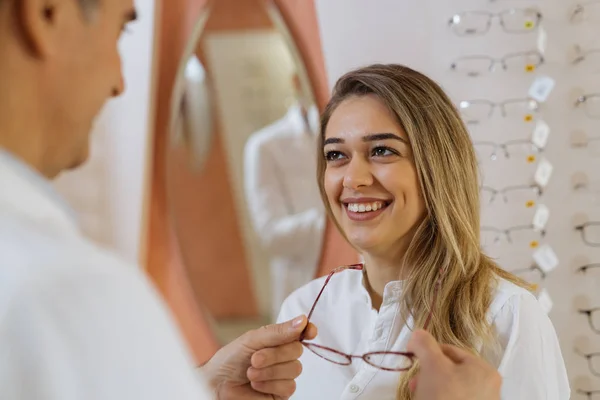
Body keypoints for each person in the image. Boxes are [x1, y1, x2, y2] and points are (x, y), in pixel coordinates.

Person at [0, 0, 317, 399]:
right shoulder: (61, 292)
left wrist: (204, 384)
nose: (120, 83)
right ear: (47, 13)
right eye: (120, 30)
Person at [277, 64, 570, 399]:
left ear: (437, 167)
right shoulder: (302, 310)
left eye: (382, 151)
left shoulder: (507, 316)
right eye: (336, 155)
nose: (353, 179)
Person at [244, 73, 325, 320]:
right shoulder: (265, 146)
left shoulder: (348, 137)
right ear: (296, 81)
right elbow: (271, 235)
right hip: (301, 286)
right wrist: (335, 223)